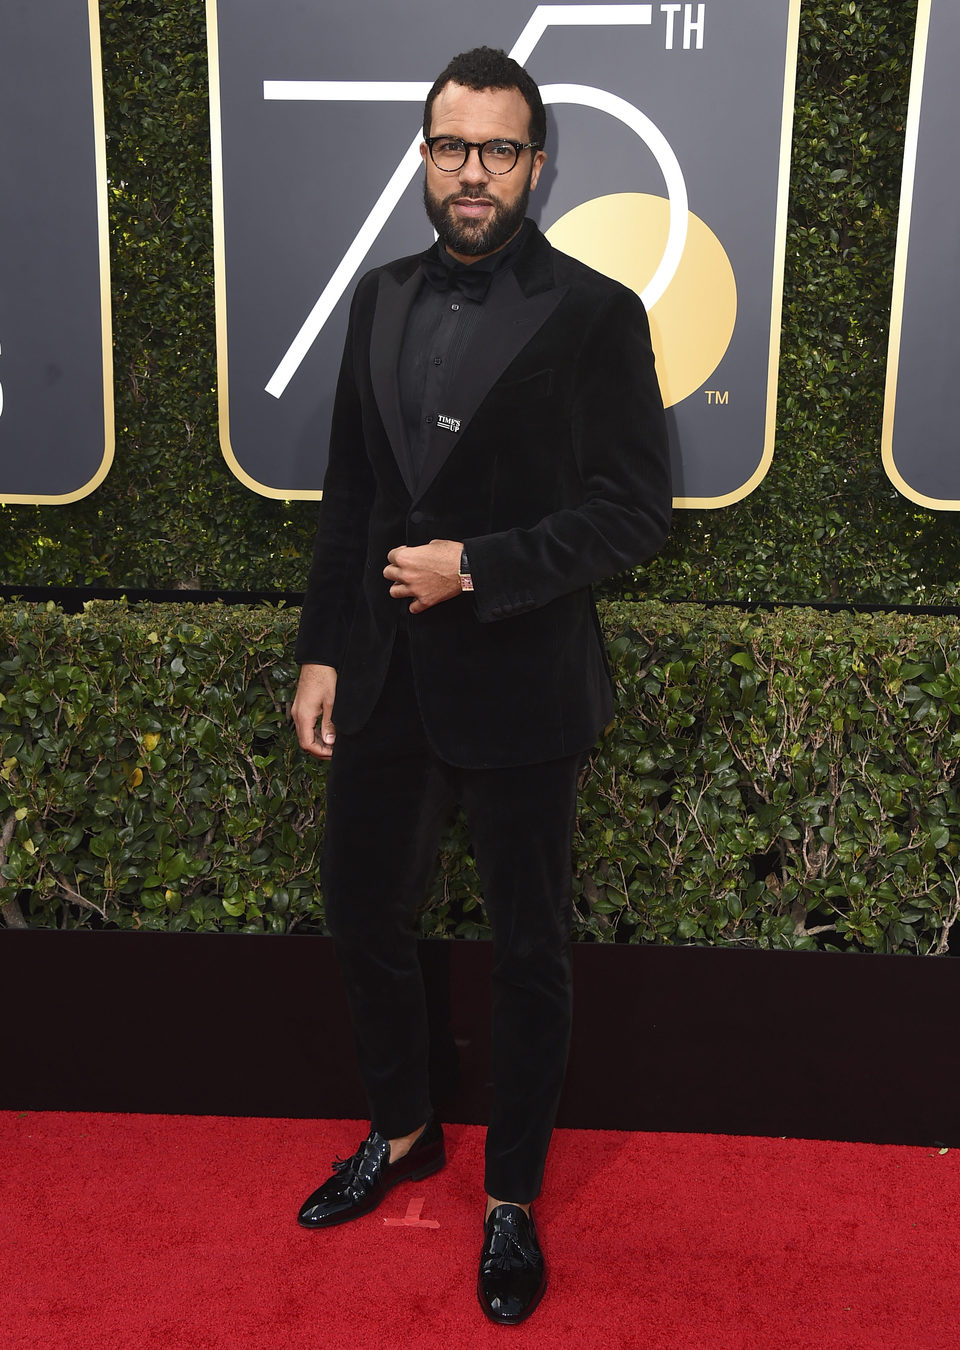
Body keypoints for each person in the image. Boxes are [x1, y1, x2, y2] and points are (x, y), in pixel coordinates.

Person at [291, 45, 671, 1325]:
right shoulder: (381, 296)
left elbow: (633, 513)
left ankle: (510, 1197)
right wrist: (324, 646)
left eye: (498, 150)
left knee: (527, 952)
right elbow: (353, 496)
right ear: (422, 154)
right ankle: (403, 1132)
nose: (473, 172)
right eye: (452, 147)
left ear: (536, 162)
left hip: (523, 682)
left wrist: (482, 568)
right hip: (386, 676)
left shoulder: (597, 311)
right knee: (361, 914)